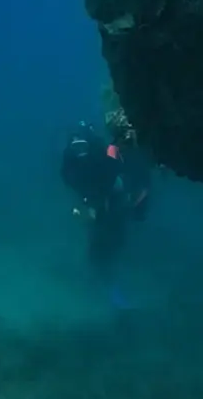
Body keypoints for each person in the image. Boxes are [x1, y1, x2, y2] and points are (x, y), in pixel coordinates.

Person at [59, 120, 152, 283]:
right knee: (99, 233)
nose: (80, 151)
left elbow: (114, 169)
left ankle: (110, 268)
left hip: (111, 193)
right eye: (76, 147)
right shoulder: (71, 163)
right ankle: (100, 270)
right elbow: (71, 181)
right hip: (96, 198)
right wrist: (88, 202)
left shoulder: (99, 154)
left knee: (115, 228)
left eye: (82, 146)